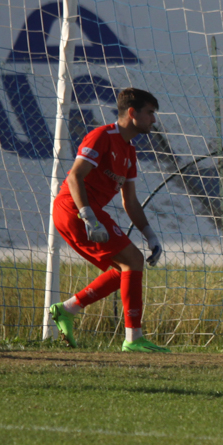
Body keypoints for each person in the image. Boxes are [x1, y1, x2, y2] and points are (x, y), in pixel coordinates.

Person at [48, 87, 168, 352]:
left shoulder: (129, 151)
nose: (153, 120)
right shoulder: (102, 136)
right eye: (150, 113)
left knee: (126, 268)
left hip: (85, 211)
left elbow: (130, 201)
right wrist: (88, 217)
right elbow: (74, 177)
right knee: (133, 261)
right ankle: (133, 339)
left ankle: (67, 309)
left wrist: (150, 235)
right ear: (132, 112)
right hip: (74, 208)